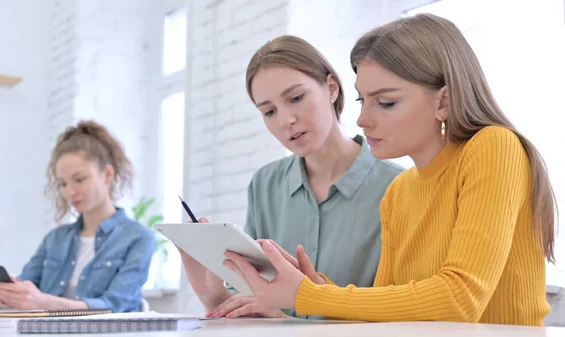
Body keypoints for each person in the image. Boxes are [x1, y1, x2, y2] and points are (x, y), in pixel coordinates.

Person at [222, 14, 558, 327]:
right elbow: (385, 322)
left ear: (443, 101)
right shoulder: (399, 191)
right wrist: (312, 292)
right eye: (362, 101)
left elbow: (461, 299)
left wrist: (310, 295)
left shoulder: (494, 146)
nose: (362, 120)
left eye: (385, 103)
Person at [180, 35, 403, 319]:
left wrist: (286, 321)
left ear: (331, 88)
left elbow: (399, 315)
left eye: (296, 98)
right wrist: (215, 296)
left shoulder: (397, 188)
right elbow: (257, 301)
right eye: (269, 111)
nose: (286, 120)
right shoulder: (265, 185)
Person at [0, 120, 155, 313]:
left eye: (79, 179)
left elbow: (115, 306)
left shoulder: (138, 238)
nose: (70, 192)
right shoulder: (55, 239)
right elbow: (27, 291)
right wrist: (3, 297)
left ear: (107, 174)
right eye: (63, 184)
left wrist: (45, 303)